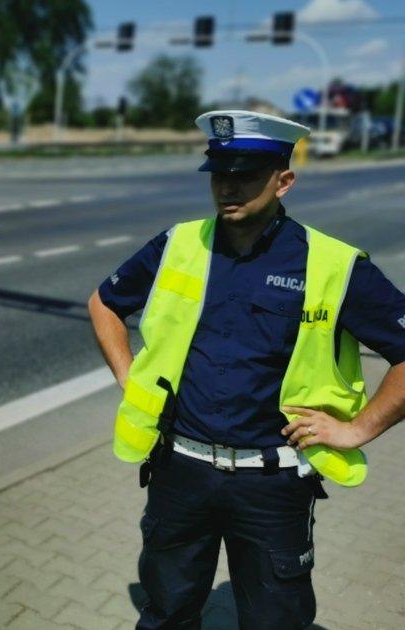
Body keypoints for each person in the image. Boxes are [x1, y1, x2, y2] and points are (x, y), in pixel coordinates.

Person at [87, 109, 405, 628]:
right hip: (179, 471)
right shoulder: (179, 244)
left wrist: (357, 429)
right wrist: (132, 379)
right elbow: (104, 304)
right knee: (167, 611)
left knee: (275, 620)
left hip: (271, 484)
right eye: (220, 173)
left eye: (246, 174)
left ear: (284, 181)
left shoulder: (332, 263)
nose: (228, 187)